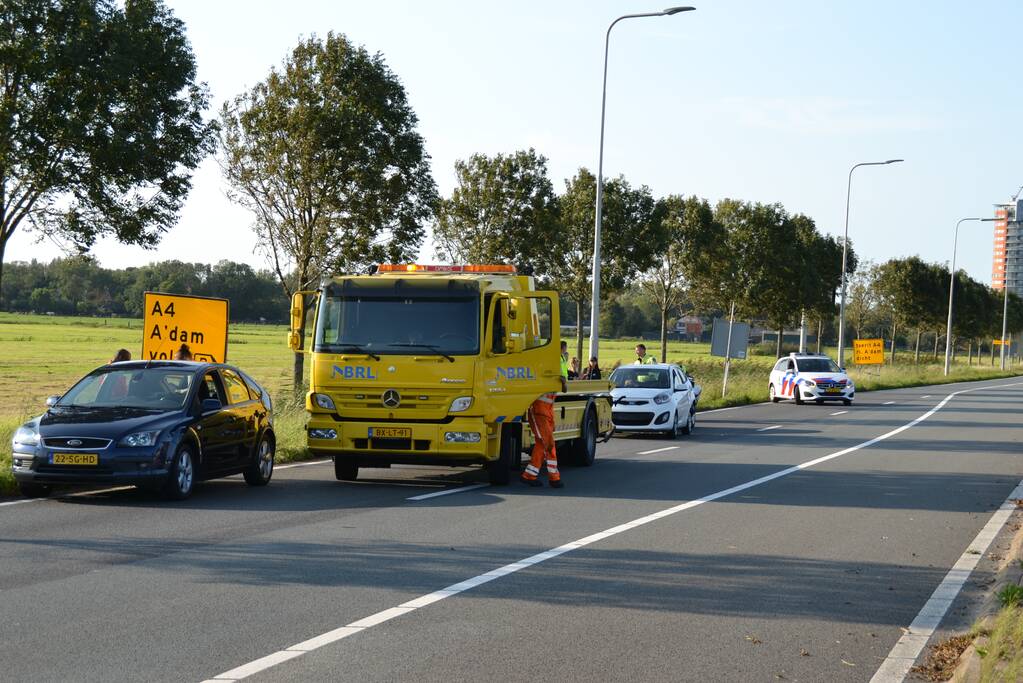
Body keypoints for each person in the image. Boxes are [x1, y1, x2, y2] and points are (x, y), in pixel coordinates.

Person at [522, 347, 569, 490]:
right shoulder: (541, 372)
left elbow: (564, 389)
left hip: (546, 413)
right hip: (538, 413)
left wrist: (563, 382)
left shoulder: (555, 372)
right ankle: (554, 478)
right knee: (548, 444)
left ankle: (529, 475)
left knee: (542, 444)